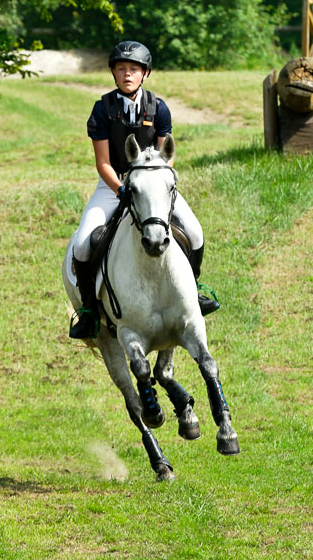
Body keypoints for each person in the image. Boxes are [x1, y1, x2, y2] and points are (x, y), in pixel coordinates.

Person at [69, 40, 220, 339]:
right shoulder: (102, 109)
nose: (127, 74)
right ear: (113, 73)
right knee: (84, 243)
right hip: (114, 184)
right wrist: (121, 189)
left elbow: (167, 154)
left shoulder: (159, 108)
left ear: (145, 74)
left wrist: (159, 180)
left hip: (153, 185)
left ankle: (195, 289)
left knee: (195, 231)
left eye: (133, 70)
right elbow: (102, 163)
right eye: (121, 69)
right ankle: (88, 310)